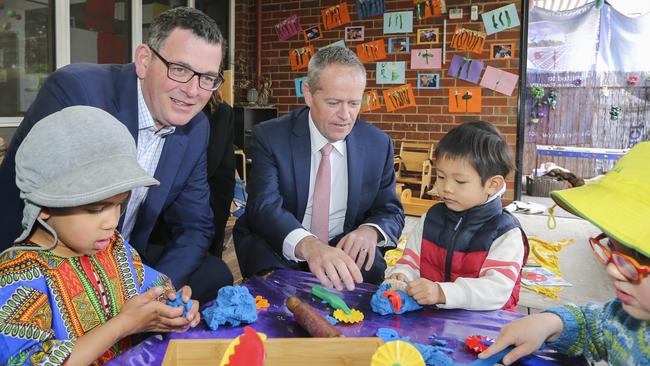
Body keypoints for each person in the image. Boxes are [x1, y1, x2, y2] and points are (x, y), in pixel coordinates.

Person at [0, 7, 232, 302]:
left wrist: (154, 291)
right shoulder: (78, 93)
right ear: (145, 61)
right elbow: (40, 215)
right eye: (181, 70)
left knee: (215, 275)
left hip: (125, 257)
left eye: (208, 78)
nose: (193, 91)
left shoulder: (196, 127)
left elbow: (195, 226)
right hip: (53, 253)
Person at [0, 106, 202, 365]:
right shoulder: (18, 276)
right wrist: (123, 325)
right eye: (96, 209)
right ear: (44, 207)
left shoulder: (115, 249)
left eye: (120, 204)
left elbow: (151, 290)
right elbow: (30, 360)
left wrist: (169, 309)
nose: (112, 221)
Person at [233, 46, 404, 291]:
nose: (345, 115)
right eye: (333, 102)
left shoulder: (378, 144)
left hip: (343, 248)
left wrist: (370, 231)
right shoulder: (270, 136)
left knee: (366, 293)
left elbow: (390, 210)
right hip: (280, 243)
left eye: (354, 103)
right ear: (309, 94)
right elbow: (264, 207)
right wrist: (311, 247)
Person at [480, 141, 650, 366]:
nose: (611, 267)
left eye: (638, 258)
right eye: (612, 248)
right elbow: (595, 324)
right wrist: (550, 323)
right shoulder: (629, 318)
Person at [385, 121, 529, 311]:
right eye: (442, 177)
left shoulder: (505, 232)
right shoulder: (431, 218)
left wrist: (443, 293)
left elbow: (496, 291)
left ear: (492, 184)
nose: (446, 188)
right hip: (431, 319)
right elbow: (411, 261)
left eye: (460, 181)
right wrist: (402, 275)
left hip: (485, 328)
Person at [204, 91, 235, 257]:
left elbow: (214, 161)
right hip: (213, 196)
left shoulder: (221, 112)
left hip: (214, 196)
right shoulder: (222, 111)